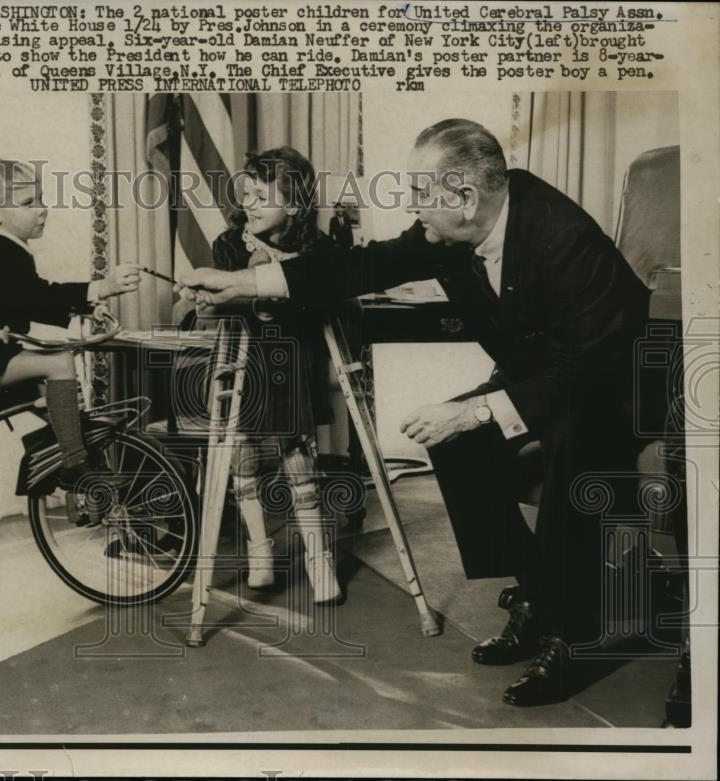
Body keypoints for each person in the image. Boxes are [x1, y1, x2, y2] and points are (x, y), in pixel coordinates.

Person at [177, 119, 650, 706]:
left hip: (618, 389)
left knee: (561, 442)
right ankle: (536, 593)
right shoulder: (451, 228)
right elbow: (361, 267)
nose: (413, 206)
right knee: (455, 440)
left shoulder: (562, 235)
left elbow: (585, 371)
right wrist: (242, 281)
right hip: (548, 378)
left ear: (465, 197)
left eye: (421, 194)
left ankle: (575, 635)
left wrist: (477, 409)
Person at [194, 146, 343, 604]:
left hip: (292, 366)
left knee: (297, 457)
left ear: (294, 205)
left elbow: (324, 303)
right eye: (246, 195)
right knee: (244, 458)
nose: (249, 205)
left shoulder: (318, 248)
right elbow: (215, 304)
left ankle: (319, 560)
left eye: (261, 196)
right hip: (243, 364)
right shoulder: (230, 244)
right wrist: (238, 287)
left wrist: (276, 283)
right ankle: (260, 548)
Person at [0, 157, 140, 485]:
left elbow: (25, 299)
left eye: (42, 199)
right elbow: (36, 297)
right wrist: (101, 287)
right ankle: (74, 466)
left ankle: (58, 455)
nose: (42, 209)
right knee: (59, 363)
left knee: (66, 417)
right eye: (30, 203)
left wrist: (85, 307)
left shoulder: (2, 249)